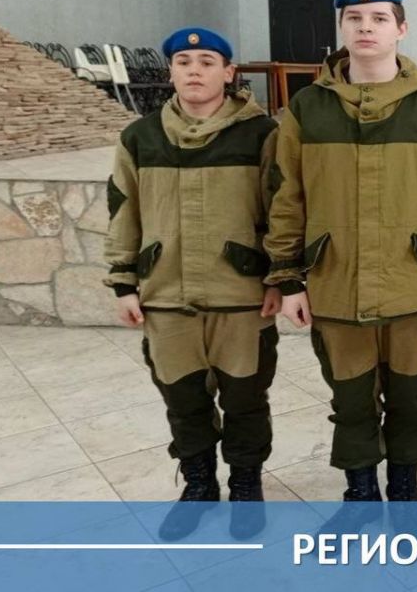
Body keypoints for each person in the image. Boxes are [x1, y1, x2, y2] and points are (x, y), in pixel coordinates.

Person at [263, 0, 417, 524]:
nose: (366, 28)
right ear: (342, 29)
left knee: (411, 399)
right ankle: (360, 497)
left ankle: (404, 496)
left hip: (413, 288)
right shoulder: (306, 108)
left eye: (379, 18)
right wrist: (288, 278)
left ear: (401, 29)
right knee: (350, 401)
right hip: (334, 284)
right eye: (354, 19)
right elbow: (286, 196)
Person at [104, 27, 281, 540]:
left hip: (242, 297)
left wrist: (279, 277)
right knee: (183, 402)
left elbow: (282, 211)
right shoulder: (140, 138)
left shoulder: (262, 135)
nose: (195, 71)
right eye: (184, 62)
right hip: (165, 296)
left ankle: (246, 484)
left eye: (207, 62)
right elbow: (124, 212)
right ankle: (199, 485)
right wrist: (124, 283)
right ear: (171, 72)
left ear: (229, 72)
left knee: (246, 401)